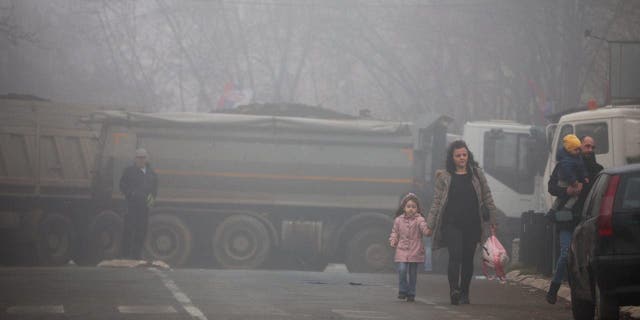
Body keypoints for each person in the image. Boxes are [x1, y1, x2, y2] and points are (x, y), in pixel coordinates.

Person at [425, 140, 498, 305]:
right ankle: (454, 290)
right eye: (458, 155)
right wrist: (430, 225)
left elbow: (487, 196)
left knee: (467, 258)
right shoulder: (444, 177)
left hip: (472, 224)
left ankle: (465, 292)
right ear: (452, 157)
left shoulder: (477, 174)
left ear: (468, 155)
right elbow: (437, 202)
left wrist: (493, 219)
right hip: (452, 223)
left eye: (464, 155)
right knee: (455, 255)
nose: (462, 158)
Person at [546, 135, 603, 304]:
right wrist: (567, 192)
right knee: (565, 255)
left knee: (585, 260)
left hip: (587, 220)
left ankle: (582, 296)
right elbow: (552, 187)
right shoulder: (564, 165)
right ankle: (554, 289)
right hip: (567, 219)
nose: (589, 150)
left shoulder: (598, 170)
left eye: (592, 147)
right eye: (586, 146)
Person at [389, 192, 430, 302]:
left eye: (413, 207)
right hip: (402, 249)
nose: (411, 209)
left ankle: (411, 293)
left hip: (415, 250)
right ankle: (402, 290)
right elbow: (395, 232)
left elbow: (424, 229)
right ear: (404, 208)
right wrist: (393, 240)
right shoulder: (398, 220)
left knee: (413, 274)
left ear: (417, 208)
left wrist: (428, 231)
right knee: (402, 270)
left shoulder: (419, 220)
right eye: (408, 206)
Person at [119, 148, 158, 260]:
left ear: (147, 159)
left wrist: (151, 201)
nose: (141, 160)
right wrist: (131, 193)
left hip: (144, 208)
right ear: (135, 159)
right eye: (139, 157)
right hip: (131, 206)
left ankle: (137, 256)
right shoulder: (128, 171)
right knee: (129, 229)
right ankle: (125, 255)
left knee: (141, 231)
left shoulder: (152, 174)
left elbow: (154, 190)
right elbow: (122, 185)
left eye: (143, 157)